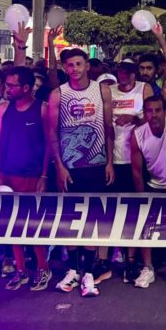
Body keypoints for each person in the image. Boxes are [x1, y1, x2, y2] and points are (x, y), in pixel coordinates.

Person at [49, 47, 115, 297]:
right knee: (70, 219)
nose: (74, 69)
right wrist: (59, 166)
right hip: (70, 168)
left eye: (78, 64)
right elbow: (52, 132)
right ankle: (73, 269)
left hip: (97, 165)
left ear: (87, 65)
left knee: (92, 218)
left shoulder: (102, 90)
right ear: (64, 68)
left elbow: (108, 128)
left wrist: (109, 162)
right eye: (70, 65)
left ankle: (88, 271)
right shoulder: (59, 94)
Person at [0, 66, 52, 292]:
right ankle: (21, 269)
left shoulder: (42, 108)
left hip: (33, 175)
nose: (7, 89)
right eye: (7, 84)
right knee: (13, 224)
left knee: (34, 224)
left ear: (26, 88)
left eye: (12, 85)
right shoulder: (3, 108)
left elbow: (49, 143)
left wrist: (44, 175)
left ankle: (43, 268)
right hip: (8, 174)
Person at [129, 96, 166, 288]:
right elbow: (136, 171)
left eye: (157, 110)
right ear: (144, 113)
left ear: (165, 112)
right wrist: (142, 196)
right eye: (149, 111)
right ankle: (148, 268)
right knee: (146, 227)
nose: (153, 114)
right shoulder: (137, 134)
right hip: (151, 184)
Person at [110, 58, 148, 281]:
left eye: (127, 72)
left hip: (136, 157)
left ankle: (132, 257)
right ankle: (116, 250)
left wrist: (135, 118)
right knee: (115, 208)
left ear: (135, 74)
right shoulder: (109, 90)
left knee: (134, 209)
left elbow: (153, 116)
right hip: (113, 158)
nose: (123, 75)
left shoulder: (143, 88)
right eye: (120, 72)